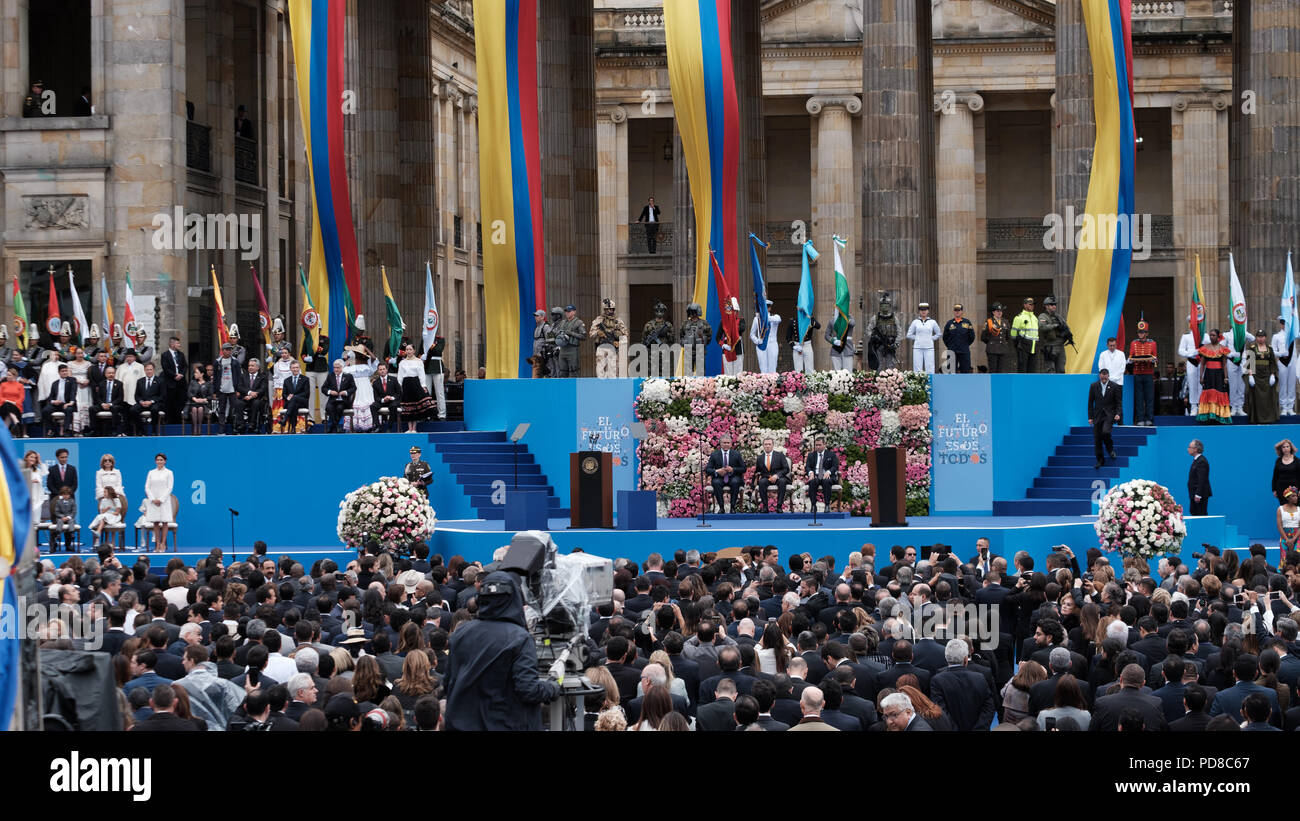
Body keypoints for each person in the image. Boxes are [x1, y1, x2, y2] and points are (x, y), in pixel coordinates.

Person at [443, 570, 558, 730]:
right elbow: (528, 690)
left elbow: (448, 682)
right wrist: (552, 686)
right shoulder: (520, 638)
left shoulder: (460, 634)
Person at [1244, 329, 1280, 424]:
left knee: (1268, 398)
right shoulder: (1252, 348)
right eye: (1259, 337)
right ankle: (1257, 419)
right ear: (1256, 338)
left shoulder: (1269, 348)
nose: (1260, 339)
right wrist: (1250, 375)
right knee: (1256, 398)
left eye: (1262, 336)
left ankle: (1270, 418)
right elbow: (1249, 363)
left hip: (1267, 376)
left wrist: (1272, 375)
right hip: (1256, 377)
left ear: (1265, 337)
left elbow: (1272, 363)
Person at [397, 343, 435, 433]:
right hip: (406, 385)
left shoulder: (419, 361)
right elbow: (400, 376)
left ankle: (414, 428)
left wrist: (423, 386)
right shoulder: (402, 362)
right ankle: (409, 428)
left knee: (415, 406)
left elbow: (421, 375)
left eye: (410, 349)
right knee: (407, 407)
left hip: (415, 384)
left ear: (414, 350)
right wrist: (399, 386)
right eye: (407, 350)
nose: (408, 351)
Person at [1196, 329, 1232, 424]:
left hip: (1219, 374)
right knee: (1209, 393)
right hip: (1209, 374)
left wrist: (1226, 377)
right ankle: (1208, 416)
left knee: (1219, 393)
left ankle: (1220, 416)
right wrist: (1201, 377)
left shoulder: (1223, 348)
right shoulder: (1205, 348)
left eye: (1213, 335)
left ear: (1218, 337)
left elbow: (1224, 364)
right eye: (1210, 335)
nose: (1212, 337)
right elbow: (1202, 364)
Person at [1088, 368, 1122, 469]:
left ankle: (1110, 449)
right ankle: (1100, 460)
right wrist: (1090, 417)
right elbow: (1090, 403)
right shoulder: (1093, 386)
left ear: (1108, 376)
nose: (1104, 377)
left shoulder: (1115, 386)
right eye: (1102, 375)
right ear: (1099, 376)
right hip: (1097, 416)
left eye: (1105, 375)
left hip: (1109, 415)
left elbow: (1119, 403)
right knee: (1097, 439)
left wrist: (1118, 414)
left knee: (1106, 432)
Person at [705, 434, 745, 514]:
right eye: (724, 443)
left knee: (735, 482)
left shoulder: (736, 454)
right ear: (720, 444)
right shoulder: (714, 454)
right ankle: (721, 507)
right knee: (716, 482)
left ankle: (733, 507)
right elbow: (708, 470)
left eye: (728, 443)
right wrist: (717, 471)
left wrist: (733, 469)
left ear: (731, 444)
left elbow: (743, 468)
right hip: (719, 477)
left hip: (733, 477)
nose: (726, 444)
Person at [1128, 320, 1158, 426]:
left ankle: (1149, 418)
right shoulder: (1133, 343)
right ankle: (1140, 419)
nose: (1140, 334)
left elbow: (1155, 357)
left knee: (1149, 397)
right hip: (1137, 373)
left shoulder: (1152, 343)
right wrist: (1130, 360)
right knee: (1139, 397)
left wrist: (1153, 360)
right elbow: (1130, 357)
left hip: (1148, 373)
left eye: (1143, 332)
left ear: (1147, 333)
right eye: (1139, 332)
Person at [591, 298, 628, 379]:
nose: (609, 311)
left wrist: (619, 342)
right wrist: (598, 333)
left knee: (613, 369)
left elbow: (625, 334)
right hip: (602, 346)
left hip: (613, 347)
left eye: (611, 309)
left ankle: (613, 385)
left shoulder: (618, 320)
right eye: (607, 309)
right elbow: (591, 333)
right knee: (600, 369)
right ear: (605, 310)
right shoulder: (599, 319)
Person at [144, 453, 174, 553]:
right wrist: (153, 499)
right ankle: (157, 544)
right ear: (155, 461)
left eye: (161, 460)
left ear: (165, 461)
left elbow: (169, 487)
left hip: (164, 501)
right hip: (153, 501)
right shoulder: (151, 472)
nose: (159, 461)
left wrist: (161, 499)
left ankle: (162, 544)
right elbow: (147, 487)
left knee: (165, 522)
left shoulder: (169, 472)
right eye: (158, 460)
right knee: (155, 522)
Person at [343, 347, 377, 432]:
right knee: (355, 403)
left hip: (365, 386)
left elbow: (373, 358)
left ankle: (369, 426)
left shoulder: (366, 362)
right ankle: (353, 426)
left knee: (367, 402)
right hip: (354, 386)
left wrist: (366, 349)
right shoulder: (350, 362)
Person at [753, 437, 790, 513]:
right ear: (763, 446)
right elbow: (757, 471)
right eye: (766, 444)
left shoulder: (780, 455)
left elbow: (786, 469)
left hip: (778, 477)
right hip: (766, 478)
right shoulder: (760, 458)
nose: (767, 446)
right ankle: (765, 507)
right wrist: (756, 477)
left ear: (773, 445)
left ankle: (779, 506)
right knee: (762, 482)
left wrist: (777, 475)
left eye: (769, 444)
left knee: (783, 481)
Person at [1037, 296, 1073, 374]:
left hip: (1060, 345)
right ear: (1046, 306)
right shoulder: (1043, 316)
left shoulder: (1058, 316)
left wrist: (1068, 334)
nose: (1054, 306)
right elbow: (1042, 327)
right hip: (1050, 345)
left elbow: (1065, 327)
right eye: (1051, 304)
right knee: (1050, 369)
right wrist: (1055, 326)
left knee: (1061, 368)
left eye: (1055, 304)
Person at [1179, 323, 1208, 416]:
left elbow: (1210, 347)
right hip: (1191, 361)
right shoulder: (1186, 336)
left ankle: (1201, 406)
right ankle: (1194, 406)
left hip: (1202, 362)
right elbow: (1180, 350)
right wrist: (1191, 353)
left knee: (1201, 385)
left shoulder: (1205, 336)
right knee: (1192, 385)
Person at [805, 434, 839, 513]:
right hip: (816, 475)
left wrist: (829, 471)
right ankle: (813, 505)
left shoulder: (831, 454)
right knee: (812, 482)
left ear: (825, 445)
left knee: (826, 481)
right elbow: (807, 467)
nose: (818, 447)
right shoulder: (811, 455)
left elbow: (835, 466)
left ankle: (827, 505)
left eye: (820, 445)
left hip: (827, 476)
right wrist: (810, 472)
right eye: (816, 445)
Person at [867, 293, 901, 371]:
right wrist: (873, 337)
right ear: (880, 306)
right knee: (879, 365)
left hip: (890, 345)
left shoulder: (894, 318)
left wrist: (896, 343)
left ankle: (891, 382)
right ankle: (878, 381)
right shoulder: (875, 318)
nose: (884, 307)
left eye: (886, 305)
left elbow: (899, 332)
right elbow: (868, 330)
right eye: (882, 305)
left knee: (890, 365)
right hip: (879, 345)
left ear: (889, 306)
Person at [235, 358, 268, 434]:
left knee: (256, 403)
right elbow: (239, 387)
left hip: (257, 398)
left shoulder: (262, 377)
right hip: (245, 397)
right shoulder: (243, 376)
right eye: (249, 365)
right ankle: (241, 424)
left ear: (258, 367)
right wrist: (249, 393)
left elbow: (262, 389)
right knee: (238, 403)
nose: (250, 367)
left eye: (252, 366)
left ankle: (252, 424)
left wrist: (253, 396)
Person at [42, 363, 77, 436]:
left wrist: (70, 403)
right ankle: (52, 429)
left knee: (69, 409)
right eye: (62, 371)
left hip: (67, 403)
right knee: (45, 410)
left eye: (66, 371)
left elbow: (73, 392)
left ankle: (65, 430)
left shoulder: (72, 380)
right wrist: (54, 401)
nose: (64, 372)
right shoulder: (55, 383)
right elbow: (51, 397)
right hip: (57, 404)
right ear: (59, 372)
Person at [321, 359, 355, 434]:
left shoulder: (348, 376)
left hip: (344, 401)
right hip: (333, 400)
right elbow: (323, 388)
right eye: (334, 367)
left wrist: (345, 392)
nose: (335, 369)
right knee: (329, 408)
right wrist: (330, 392)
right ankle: (336, 427)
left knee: (339, 408)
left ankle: (333, 427)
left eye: (338, 368)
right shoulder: (330, 376)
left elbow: (353, 388)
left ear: (342, 368)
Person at [906, 302, 941, 373]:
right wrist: (918, 338)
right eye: (922, 310)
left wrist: (931, 338)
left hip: (929, 347)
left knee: (930, 367)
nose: (923, 311)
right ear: (919, 311)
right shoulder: (915, 322)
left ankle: (930, 383)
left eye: (925, 310)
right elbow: (909, 334)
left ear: (928, 311)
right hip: (917, 348)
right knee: (917, 367)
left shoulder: (932, 322)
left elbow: (939, 333)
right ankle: (917, 383)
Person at [131, 362, 163, 435]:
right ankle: (141, 430)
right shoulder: (140, 381)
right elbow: (136, 395)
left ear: (153, 370)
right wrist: (141, 401)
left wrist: (151, 401)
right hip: (143, 403)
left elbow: (162, 396)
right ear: (144, 370)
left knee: (154, 409)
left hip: (154, 403)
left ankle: (154, 430)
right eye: (147, 370)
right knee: (133, 409)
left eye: (150, 369)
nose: (149, 371)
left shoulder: (160, 381)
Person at [554, 305, 586, 379]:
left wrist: (571, 333)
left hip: (573, 349)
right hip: (563, 349)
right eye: (566, 311)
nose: (567, 313)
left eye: (569, 311)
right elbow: (556, 333)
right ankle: (563, 389)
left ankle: (575, 389)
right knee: (562, 371)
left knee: (574, 371)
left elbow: (583, 336)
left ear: (574, 312)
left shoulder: (578, 322)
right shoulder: (562, 322)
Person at [92, 365, 125, 436]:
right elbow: (97, 397)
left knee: (115, 408)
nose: (111, 375)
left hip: (113, 405)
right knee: (92, 409)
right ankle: (95, 430)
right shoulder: (101, 383)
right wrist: (102, 404)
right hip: (103, 404)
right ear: (105, 374)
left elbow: (120, 398)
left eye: (113, 373)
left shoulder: (119, 384)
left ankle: (114, 429)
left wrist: (110, 404)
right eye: (109, 373)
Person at [278, 360, 310, 433]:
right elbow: (284, 394)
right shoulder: (286, 380)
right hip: (290, 403)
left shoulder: (305, 379)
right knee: (294, 405)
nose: (295, 369)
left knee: (294, 399)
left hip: (302, 401)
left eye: (297, 367)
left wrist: (294, 396)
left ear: (299, 368)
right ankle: (293, 428)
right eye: (293, 368)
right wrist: (287, 397)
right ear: (290, 369)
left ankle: (286, 420)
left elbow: (306, 393)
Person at [304, 333, 330, 422]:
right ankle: (311, 418)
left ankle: (324, 417)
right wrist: (304, 358)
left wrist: (314, 345)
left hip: (322, 368)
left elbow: (324, 351)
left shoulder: (324, 339)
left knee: (323, 394)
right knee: (310, 394)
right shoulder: (307, 338)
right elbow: (303, 353)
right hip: (310, 368)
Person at [161, 336, 187, 423]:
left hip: (181, 383)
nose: (179, 345)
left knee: (180, 403)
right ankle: (169, 421)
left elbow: (185, 366)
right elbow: (166, 368)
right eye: (178, 343)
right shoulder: (165, 355)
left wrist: (181, 375)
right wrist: (174, 375)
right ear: (172, 344)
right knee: (170, 403)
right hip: (170, 383)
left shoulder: (181, 354)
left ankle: (179, 421)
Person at [942, 304, 975, 374]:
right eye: (955, 310)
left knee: (965, 370)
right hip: (952, 350)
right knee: (951, 371)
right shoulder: (949, 323)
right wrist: (950, 345)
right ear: (953, 312)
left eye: (959, 310)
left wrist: (965, 344)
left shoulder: (967, 322)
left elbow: (972, 336)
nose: (957, 312)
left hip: (964, 351)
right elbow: (945, 337)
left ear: (962, 311)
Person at [1273, 316, 1295, 415]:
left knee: (1291, 384)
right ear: (1281, 324)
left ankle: (1290, 406)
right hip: (1282, 362)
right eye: (1284, 324)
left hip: (1292, 361)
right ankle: (1283, 407)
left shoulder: (1293, 335)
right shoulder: (1276, 336)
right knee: (1282, 384)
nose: (1285, 326)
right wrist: (1281, 353)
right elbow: (1273, 351)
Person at [1010, 297, 1039, 373]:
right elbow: (1013, 334)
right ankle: (1021, 384)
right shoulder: (1019, 317)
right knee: (1022, 368)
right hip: (1023, 346)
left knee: (1032, 369)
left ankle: (1031, 385)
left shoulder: (1035, 318)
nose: (1032, 306)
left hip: (1034, 346)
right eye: (1030, 304)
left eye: (1033, 304)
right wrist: (1018, 344)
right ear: (1025, 305)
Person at [750, 300, 780, 374]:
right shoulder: (756, 319)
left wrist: (764, 317)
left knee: (772, 367)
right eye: (763, 308)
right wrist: (757, 341)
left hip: (772, 344)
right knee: (763, 367)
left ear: (769, 308)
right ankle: (764, 384)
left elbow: (778, 320)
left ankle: (772, 383)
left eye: (766, 307)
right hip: (761, 344)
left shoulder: (775, 316)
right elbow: (752, 334)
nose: (764, 309)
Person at [370, 362, 400, 432]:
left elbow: (399, 393)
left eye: (384, 369)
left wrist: (391, 398)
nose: (382, 371)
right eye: (380, 369)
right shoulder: (375, 383)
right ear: (378, 371)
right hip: (382, 401)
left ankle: (389, 427)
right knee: (372, 406)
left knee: (394, 406)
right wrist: (383, 400)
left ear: (387, 370)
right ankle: (377, 426)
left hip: (392, 401)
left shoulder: (394, 379)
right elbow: (376, 397)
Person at [423, 334, 447, 420]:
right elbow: (420, 351)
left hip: (437, 367)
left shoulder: (440, 339)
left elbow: (438, 350)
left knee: (439, 392)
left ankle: (442, 414)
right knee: (426, 393)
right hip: (427, 367)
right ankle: (427, 413)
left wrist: (428, 346)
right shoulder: (425, 338)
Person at [185, 364, 211, 435]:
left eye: (196, 372)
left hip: (204, 404)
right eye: (195, 372)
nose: (194, 374)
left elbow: (210, 396)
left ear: (202, 374)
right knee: (194, 409)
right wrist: (195, 399)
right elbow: (189, 393)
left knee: (200, 409)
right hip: (193, 402)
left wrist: (203, 400)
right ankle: (195, 429)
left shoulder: (208, 383)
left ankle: (199, 428)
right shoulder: (193, 382)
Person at [0, 369, 27, 437]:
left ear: (14, 376)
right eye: (7, 375)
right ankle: (16, 421)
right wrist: (7, 401)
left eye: (9, 375)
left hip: (16, 406)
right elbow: (0, 396)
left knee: (8, 409)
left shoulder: (20, 386)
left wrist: (14, 403)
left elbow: (21, 398)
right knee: (7, 405)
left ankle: (5, 431)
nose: (7, 377)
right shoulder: (3, 385)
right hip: (4, 405)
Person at [49, 486, 77, 552]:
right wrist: (62, 517)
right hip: (60, 518)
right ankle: (58, 534)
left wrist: (68, 517)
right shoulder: (58, 501)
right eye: (64, 494)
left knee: (71, 521)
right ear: (61, 494)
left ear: (69, 495)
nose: (65, 496)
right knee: (59, 522)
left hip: (69, 518)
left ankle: (71, 534)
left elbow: (74, 512)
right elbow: (56, 511)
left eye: (67, 494)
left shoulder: (72, 502)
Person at [1187, 439, 1211, 516]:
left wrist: (1198, 494)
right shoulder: (1196, 460)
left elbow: (1202, 479)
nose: (1188, 449)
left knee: (1200, 514)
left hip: (1199, 496)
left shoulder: (1201, 461)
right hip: (1194, 494)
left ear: (1196, 449)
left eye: (1190, 447)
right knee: (1194, 513)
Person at [528, 310, 552, 378]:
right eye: (535, 316)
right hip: (537, 357)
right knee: (537, 375)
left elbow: (551, 340)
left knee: (548, 374)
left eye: (537, 316)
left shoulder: (546, 327)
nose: (535, 317)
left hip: (544, 356)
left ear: (542, 317)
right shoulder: (537, 327)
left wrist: (546, 353)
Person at [1277, 487, 1300, 552]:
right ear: (1287, 497)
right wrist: (1287, 539)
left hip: (1298, 537)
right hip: (1284, 537)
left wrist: (1294, 539)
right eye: (1293, 496)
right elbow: (1279, 526)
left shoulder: (1299, 509)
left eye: (1296, 496)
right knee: (1284, 560)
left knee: (1297, 557)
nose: (1296, 497)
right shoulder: (1280, 509)